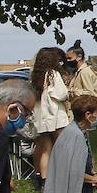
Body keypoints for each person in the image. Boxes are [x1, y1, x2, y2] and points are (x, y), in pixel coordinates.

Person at [30, 46, 72, 183]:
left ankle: (44, 179)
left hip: (41, 117)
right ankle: (63, 178)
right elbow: (60, 94)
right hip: (55, 116)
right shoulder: (53, 74)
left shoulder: (36, 75)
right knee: (63, 147)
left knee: (45, 149)